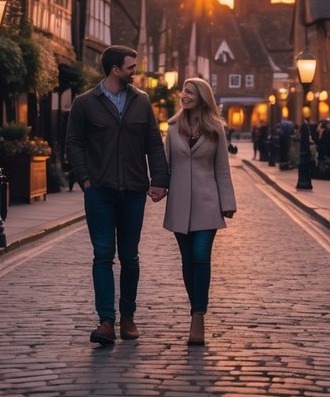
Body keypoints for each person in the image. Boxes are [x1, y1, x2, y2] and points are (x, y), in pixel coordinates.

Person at [67, 45, 169, 346]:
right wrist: (85, 179)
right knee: (102, 255)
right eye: (131, 67)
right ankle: (106, 322)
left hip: (134, 191)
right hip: (99, 191)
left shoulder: (141, 102)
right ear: (115, 69)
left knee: (130, 256)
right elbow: (73, 143)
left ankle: (128, 317)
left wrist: (160, 179)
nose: (134, 71)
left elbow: (154, 142)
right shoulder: (85, 103)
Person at [164, 77, 236, 345]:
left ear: (202, 97)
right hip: (179, 205)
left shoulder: (215, 129)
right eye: (184, 91)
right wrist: (156, 188)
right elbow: (166, 167)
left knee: (200, 256)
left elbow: (222, 169)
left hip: (207, 203)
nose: (185, 95)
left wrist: (227, 203)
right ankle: (194, 307)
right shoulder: (172, 128)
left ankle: (198, 316)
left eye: (191, 92)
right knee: (186, 261)